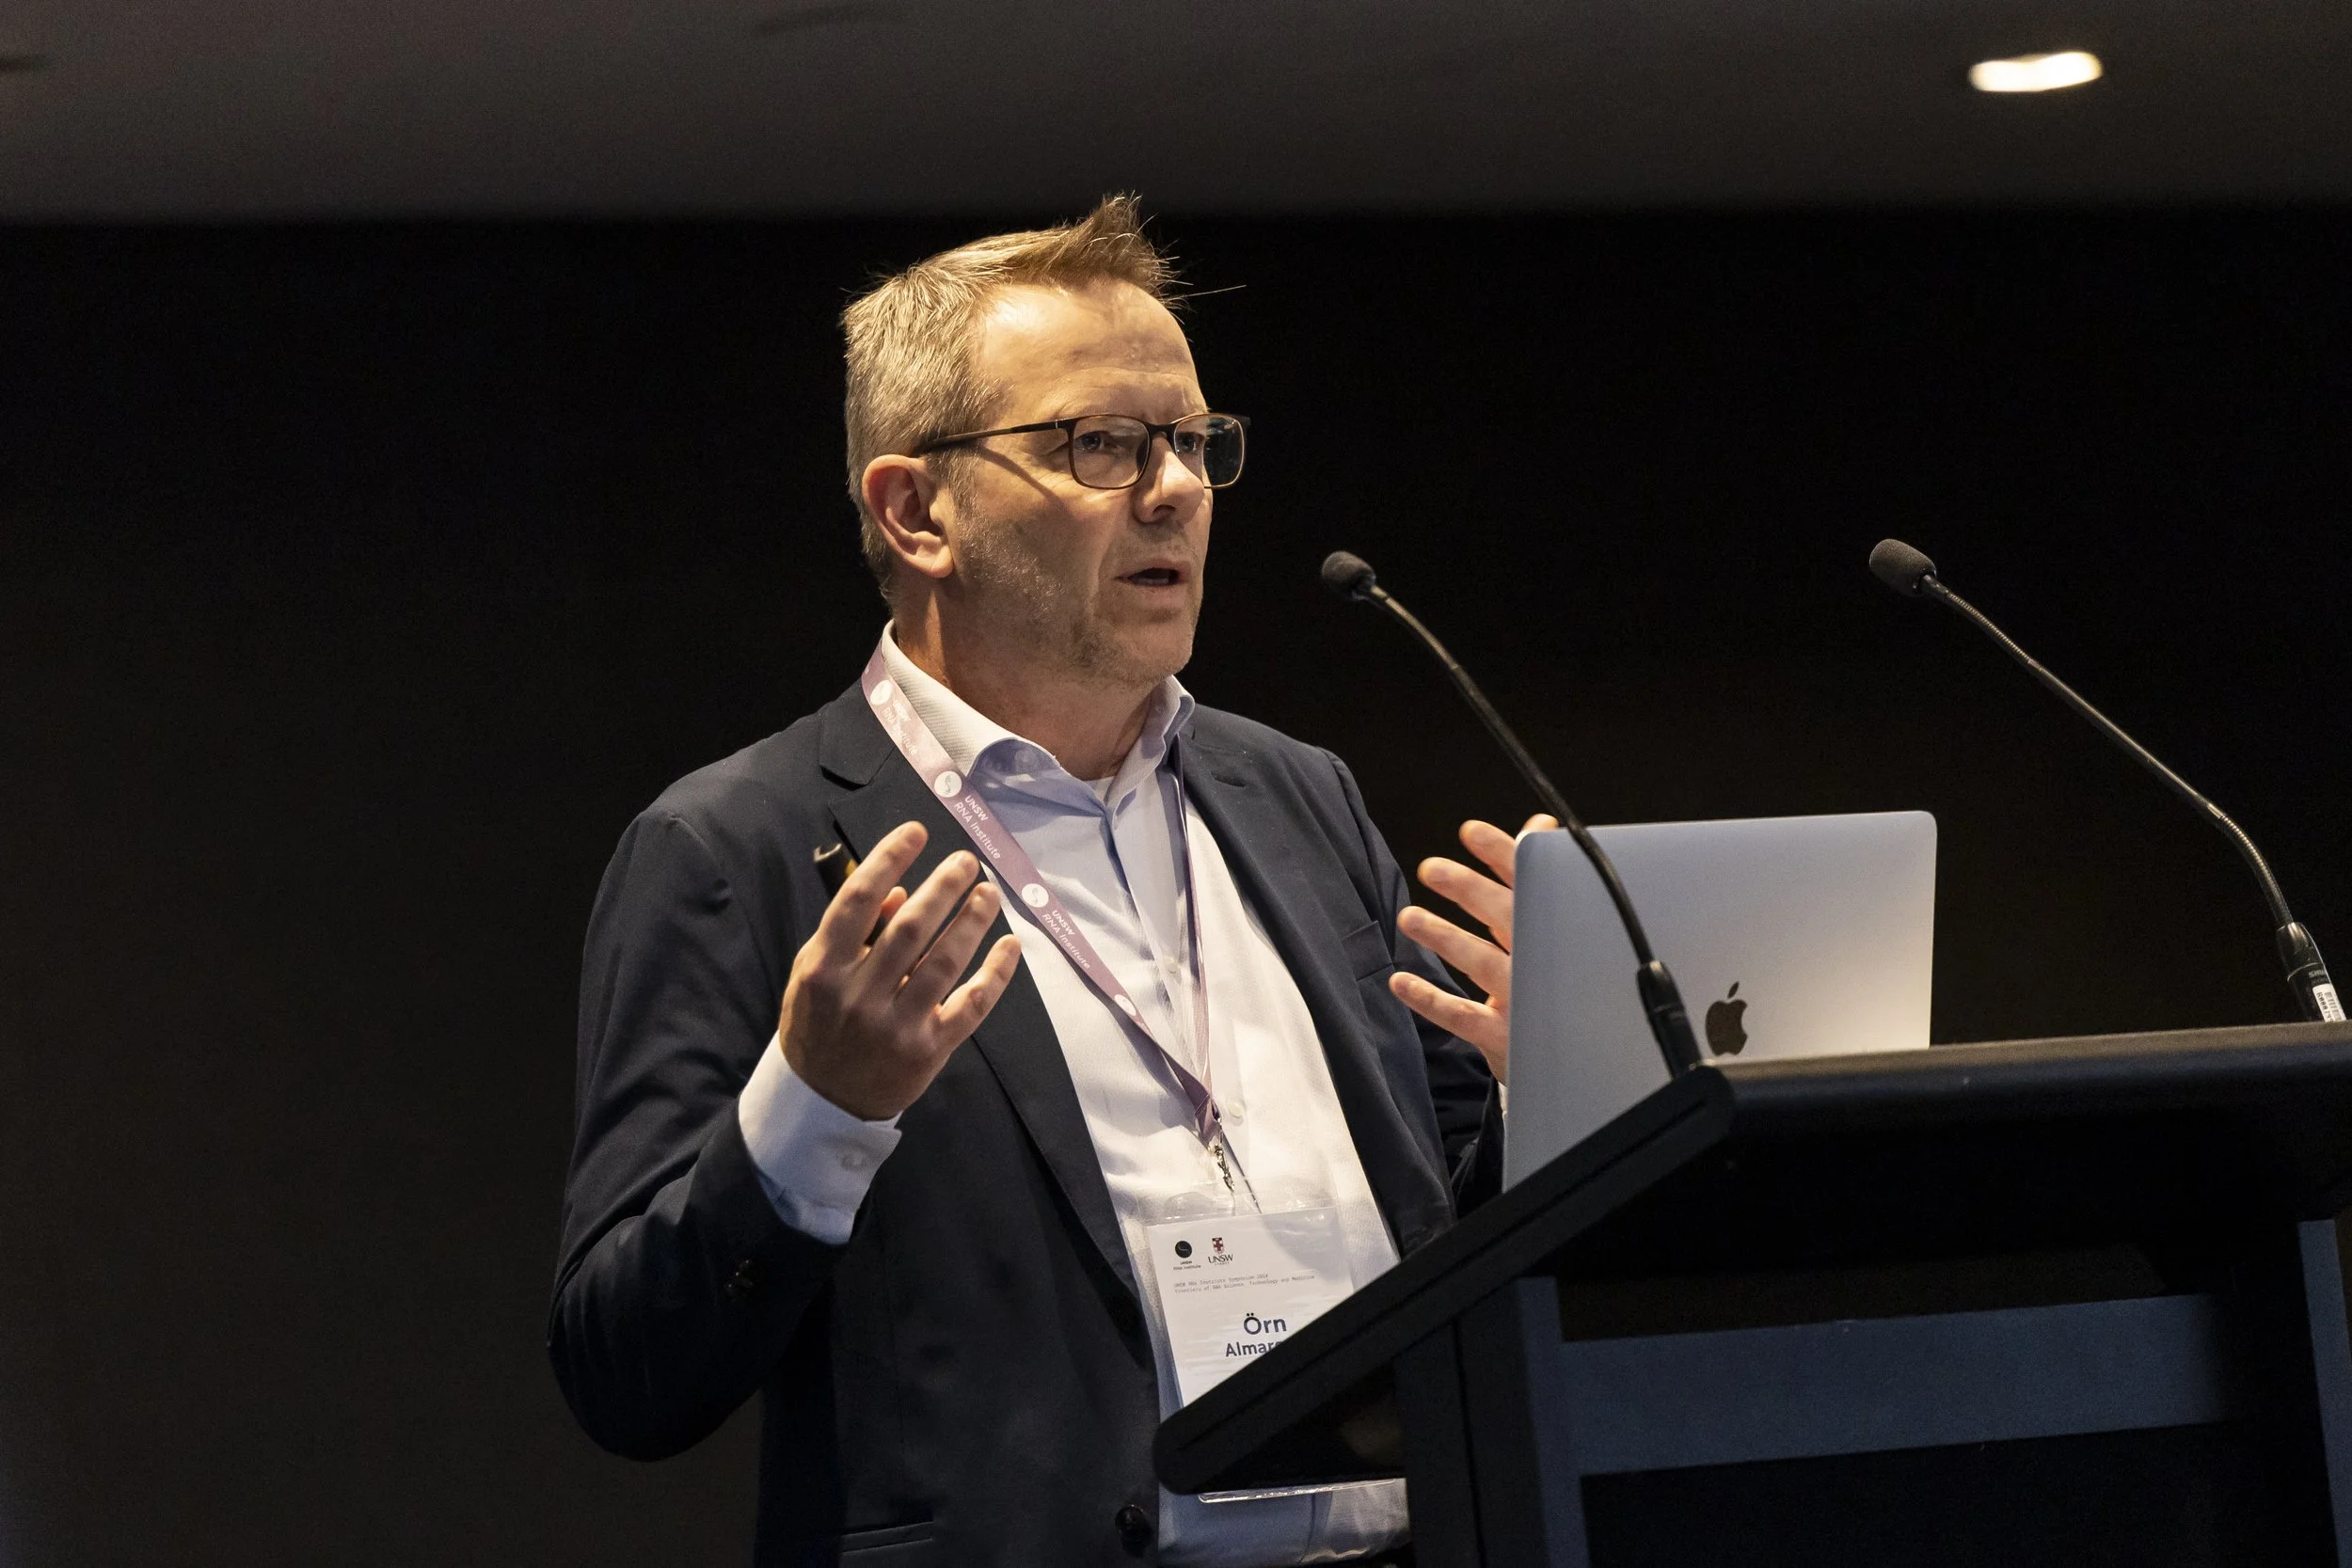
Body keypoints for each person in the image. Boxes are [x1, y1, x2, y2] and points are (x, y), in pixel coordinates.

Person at [548, 196, 1551, 1568]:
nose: (1177, 487)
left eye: (1193, 441)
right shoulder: (738, 847)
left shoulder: (1295, 795)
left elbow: (1445, 1231)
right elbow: (627, 1370)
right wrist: (815, 1111)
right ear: (915, 512)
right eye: (1101, 444)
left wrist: (1543, 1107)